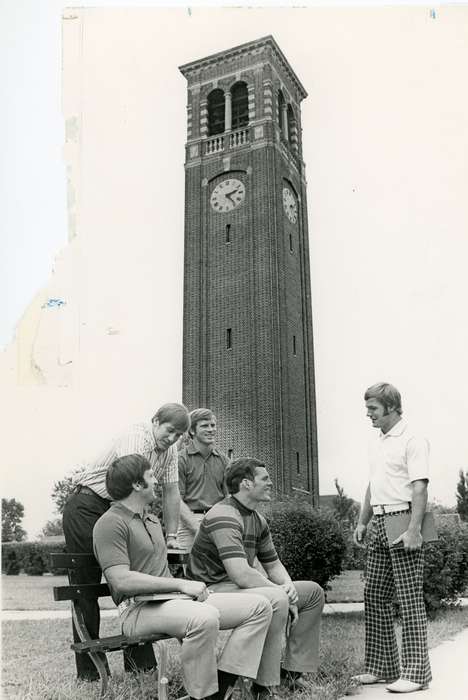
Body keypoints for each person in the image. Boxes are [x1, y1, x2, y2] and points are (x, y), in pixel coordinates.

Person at [93, 453, 274, 700]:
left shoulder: (152, 519)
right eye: (150, 475)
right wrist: (181, 583)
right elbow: (121, 580)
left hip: (171, 601)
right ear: (137, 484)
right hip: (137, 609)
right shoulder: (110, 523)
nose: (156, 480)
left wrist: (178, 590)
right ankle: (204, 695)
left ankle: (220, 686)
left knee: (261, 607)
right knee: (204, 616)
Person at [62, 402, 190, 680]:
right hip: (89, 504)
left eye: (179, 435)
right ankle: (89, 673)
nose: (172, 438)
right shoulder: (137, 437)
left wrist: (170, 536)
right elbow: (134, 487)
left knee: (138, 573)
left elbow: (170, 492)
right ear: (155, 421)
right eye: (169, 431)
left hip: (121, 509)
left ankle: (140, 667)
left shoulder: (170, 451)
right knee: (86, 585)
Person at [187, 457, 325, 700]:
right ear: (246, 484)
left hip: (239, 589)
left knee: (312, 593)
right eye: (265, 478)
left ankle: (291, 674)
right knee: (275, 598)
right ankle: (264, 687)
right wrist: (280, 592)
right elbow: (240, 573)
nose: (270, 483)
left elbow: (273, 564)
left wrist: (289, 587)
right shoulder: (224, 515)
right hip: (212, 591)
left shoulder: (257, 518)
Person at [353, 383, 431, 693]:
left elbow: (420, 487)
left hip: (404, 518)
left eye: (373, 408)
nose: (368, 414)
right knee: (374, 594)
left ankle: (415, 673)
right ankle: (382, 666)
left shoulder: (412, 439)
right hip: (379, 519)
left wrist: (414, 530)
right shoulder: (377, 442)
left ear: (391, 407)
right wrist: (362, 522)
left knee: (409, 596)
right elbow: (373, 485)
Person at [177, 408, 229, 550]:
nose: (211, 429)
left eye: (213, 425)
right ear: (192, 431)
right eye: (205, 426)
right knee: (193, 572)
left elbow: (229, 498)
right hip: (189, 524)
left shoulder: (224, 460)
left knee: (222, 571)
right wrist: (197, 527)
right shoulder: (181, 459)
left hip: (218, 521)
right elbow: (176, 501)